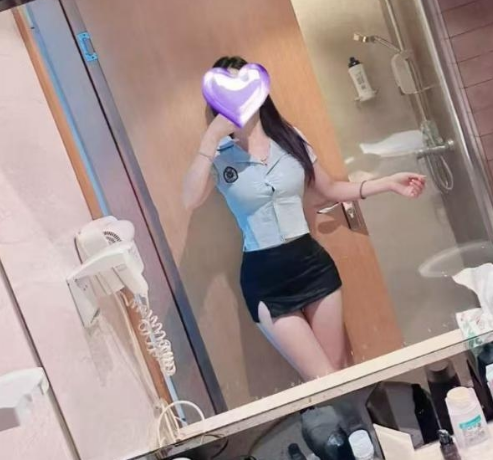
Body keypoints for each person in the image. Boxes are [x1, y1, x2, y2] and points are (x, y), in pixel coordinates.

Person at [182, 56, 426, 381]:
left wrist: (388, 183)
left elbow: (331, 189)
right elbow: (190, 199)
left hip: (312, 265)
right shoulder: (218, 155)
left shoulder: (289, 137)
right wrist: (210, 139)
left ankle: (358, 417)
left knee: (338, 375)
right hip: (265, 281)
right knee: (322, 380)